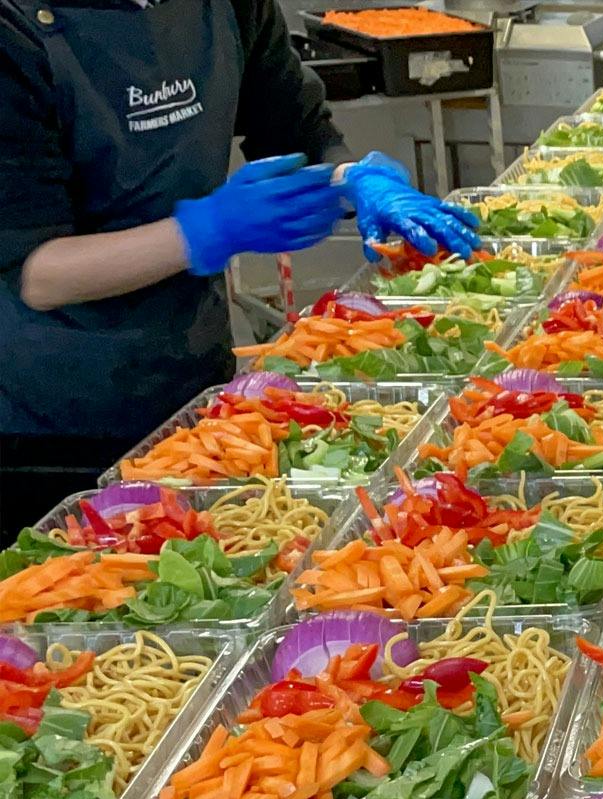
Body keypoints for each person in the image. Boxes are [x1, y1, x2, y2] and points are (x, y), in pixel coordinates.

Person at [0, 0, 479, 536]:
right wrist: (205, 232)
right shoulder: (14, 29)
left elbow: (294, 129)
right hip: (49, 420)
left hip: (192, 386)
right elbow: (37, 273)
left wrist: (352, 177)